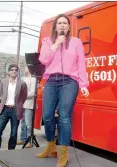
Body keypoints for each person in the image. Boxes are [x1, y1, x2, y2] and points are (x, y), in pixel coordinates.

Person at [36, 14, 89, 167]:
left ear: (69, 27)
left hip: (70, 81)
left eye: (65, 23)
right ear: (55, 27)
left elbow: (81, 65)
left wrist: (83, 84)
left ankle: (63, 153)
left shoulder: (76, 42)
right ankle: (51, 146)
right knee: (47, 116)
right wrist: (56, 44)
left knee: (65, 116)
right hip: (52, 80)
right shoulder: (47, 41)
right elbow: (44, 60)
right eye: (59, 23)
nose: (62, 25)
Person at [0, 64, 28, 162]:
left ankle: (10, 154)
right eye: (12, 70)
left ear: (18, 72)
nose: (14, 71)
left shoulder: (22, 83)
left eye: (16, 70)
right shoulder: (4, 82)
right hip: (4, 110)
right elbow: (2, 94)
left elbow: (24, 97)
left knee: (13, 134)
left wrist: (18, 104)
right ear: (9, 71)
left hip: (15, 110)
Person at [17, 69, 36, 148]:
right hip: (22, 104)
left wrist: (21, 95)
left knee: (28, 124)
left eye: (26, 67)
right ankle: (23, 139)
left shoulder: (34, 79)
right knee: (23, 123)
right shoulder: (23, 78)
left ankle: (29, 141)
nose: (24, 69)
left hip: (29, 104)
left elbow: (32, 93)